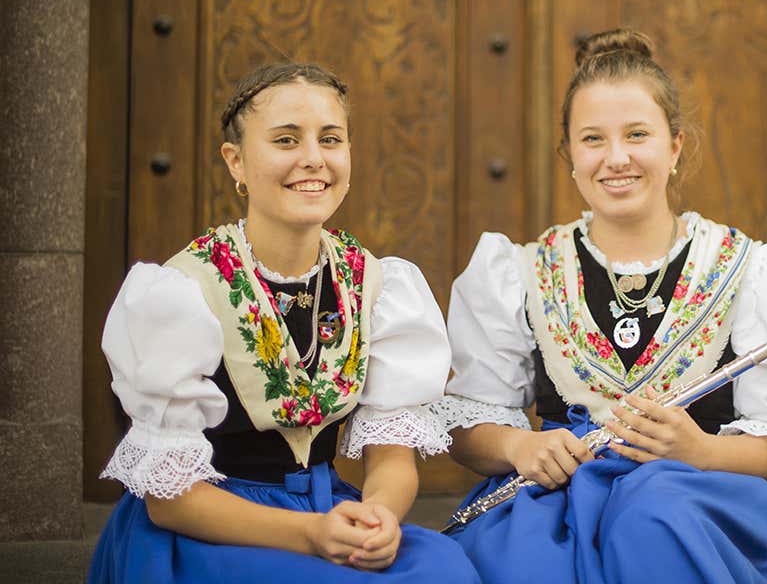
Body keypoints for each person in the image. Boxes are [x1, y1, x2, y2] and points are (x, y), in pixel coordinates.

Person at [435, 30, 767, 583]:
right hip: (557, 499)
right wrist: (519, 444)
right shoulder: (517, 272)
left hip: (697, 497)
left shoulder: (755, 268)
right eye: (593, 139)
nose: (616, 158)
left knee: (653, 524)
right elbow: (466, 428)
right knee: (529, 562)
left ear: (674, 146)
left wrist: (699, 450)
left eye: (638, 135)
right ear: (569, 156)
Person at [88, 63, 479, 584]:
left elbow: (391, 458)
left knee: (445, 569)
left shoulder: (378, 287)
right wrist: (311, 535)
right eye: (286, 140)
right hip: (216, 525)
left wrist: (379, 516)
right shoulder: (182, 293)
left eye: (331, 139)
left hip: (330, 511)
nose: (313, 159)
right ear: (237, 162)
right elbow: (170, 503)